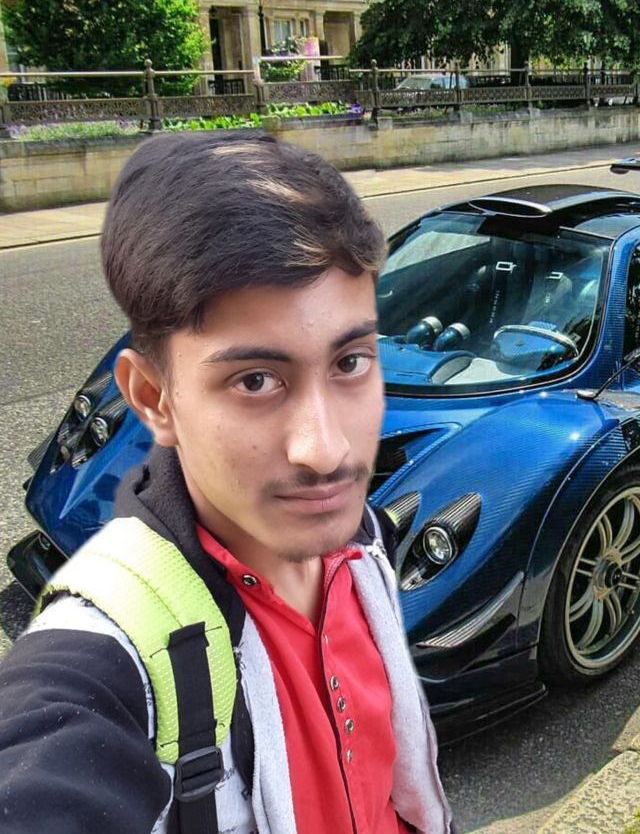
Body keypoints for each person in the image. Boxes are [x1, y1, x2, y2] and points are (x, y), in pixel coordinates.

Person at [0, 131, 454, 833]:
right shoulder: (103, 656)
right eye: (255, 380)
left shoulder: (362, 541)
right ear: (152, 397)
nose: (326, 451)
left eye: (350, 363)